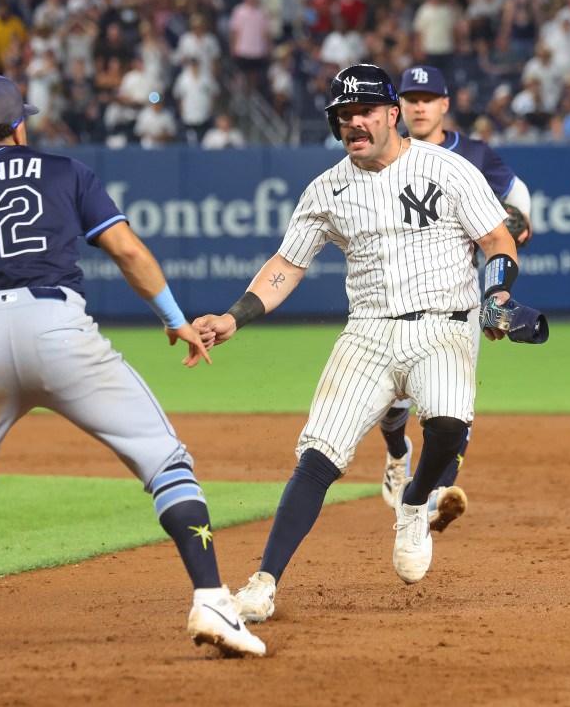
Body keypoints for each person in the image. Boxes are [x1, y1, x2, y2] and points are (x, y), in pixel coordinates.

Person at [0, 74, 266, 661]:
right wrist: (174, 318)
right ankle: (212, 600)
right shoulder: (63, 171)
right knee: (165, 462)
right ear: (18, 124)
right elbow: (128, 251)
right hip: (58, 330)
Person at [191, 64, 520, 622]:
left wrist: (499, 295)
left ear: (393, 114)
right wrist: (234, 316)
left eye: (365, 111)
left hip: (442, 325)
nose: (354, 123)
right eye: (344, 116)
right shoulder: (326, 189)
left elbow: (497, 240)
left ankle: (414, 502)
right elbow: (287, 264)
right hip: (367, 332)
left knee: (447, 425)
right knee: (317, 457)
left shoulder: (448, 168)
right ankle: (263, 581)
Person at [379, 64, 535, 531]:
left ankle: (438, 493)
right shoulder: (381, 153)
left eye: (428, 98)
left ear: (445, 104)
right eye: (411, 98)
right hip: (387, 294)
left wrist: (519, 219)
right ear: (397, 107)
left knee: (453, 395)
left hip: (456, 292)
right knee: (392, 407)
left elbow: (516, 195)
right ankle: (396, 452)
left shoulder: (473, 153)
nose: (419, 105)